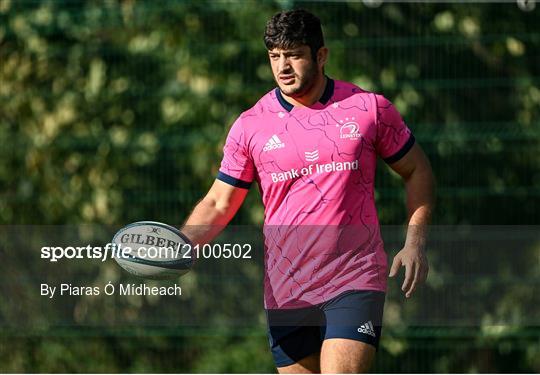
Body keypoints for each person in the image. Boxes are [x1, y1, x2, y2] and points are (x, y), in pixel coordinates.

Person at [182, 9, 434, 374]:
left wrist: (415, 242)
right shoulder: (250, 126)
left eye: (294, 54)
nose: (283, 66)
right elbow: (219, 203)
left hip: (354, 278)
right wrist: (183, 244)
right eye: (274, 56)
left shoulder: (368, 109)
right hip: (286, 290)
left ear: (321, 55)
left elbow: (418, 171)